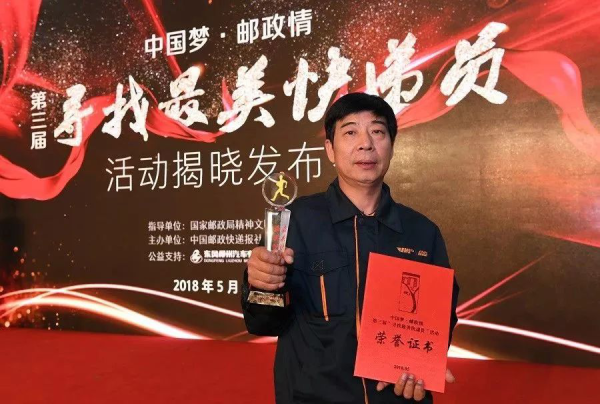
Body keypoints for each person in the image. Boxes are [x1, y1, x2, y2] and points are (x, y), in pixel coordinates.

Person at [241, 93, 459, 404]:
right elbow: (263, 322)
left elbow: (439, 319)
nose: (366, 144)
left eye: (378, 131)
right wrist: (262, 284)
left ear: (392, 145)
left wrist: (421, 366)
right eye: (351, 132)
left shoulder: (422, 232)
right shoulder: (295, 222)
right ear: (330, 149)